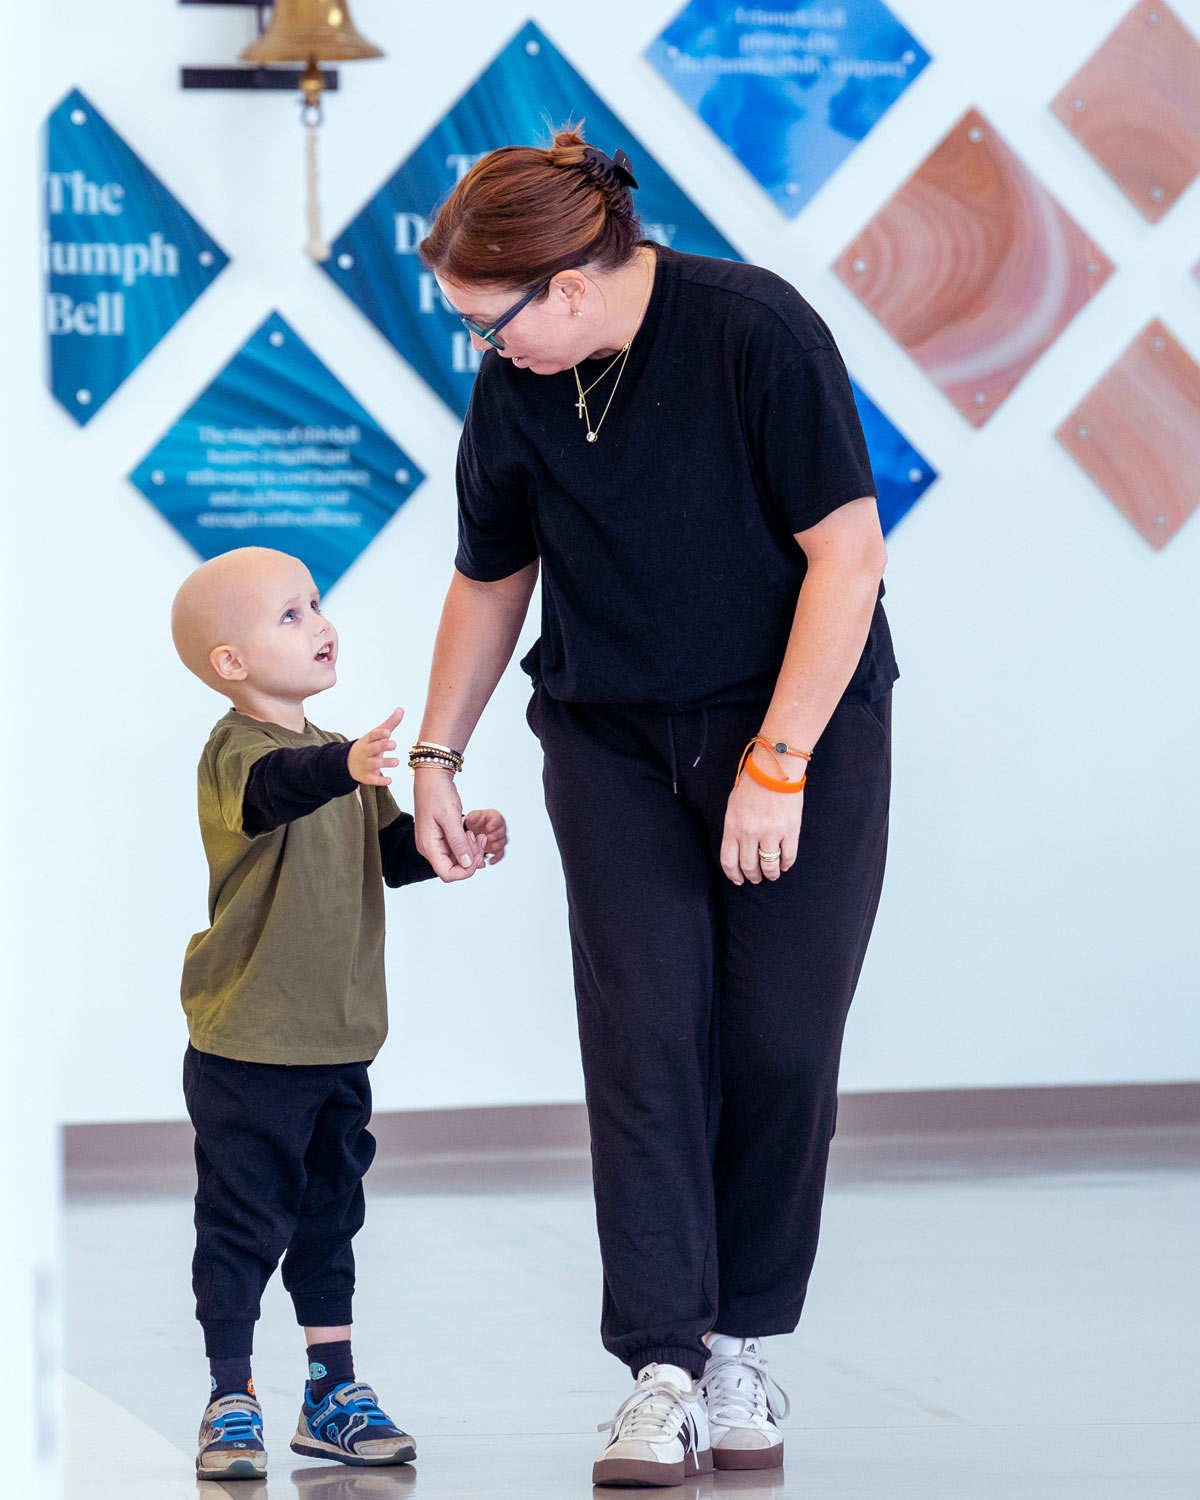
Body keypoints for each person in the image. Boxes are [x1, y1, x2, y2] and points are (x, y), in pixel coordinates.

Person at [412, 129, 896, 1489]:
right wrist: (435, 757)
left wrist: (780, 762)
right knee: (646, 1041)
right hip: (613, 738)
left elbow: (845, 559)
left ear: (568, 282)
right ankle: (663, 1367)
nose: (480, 348)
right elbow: (490, 573)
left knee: (780, 1045)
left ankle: (744, 1340)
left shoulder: (756, 333)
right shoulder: (520, 384)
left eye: (487, 320)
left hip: (798, 727)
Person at [170, 546, 506, 1481]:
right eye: (291, 615)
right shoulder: (236, 754)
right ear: (230, 664)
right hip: (247, 1042)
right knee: (241, 1221)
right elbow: (280, 795)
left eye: (316, 605)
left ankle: (332, 1388)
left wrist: (448, 844)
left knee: (330, 1217)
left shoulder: (345, 757)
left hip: (336, 1041)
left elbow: (384, 854)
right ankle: (230, 1394)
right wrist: (346, 764)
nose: (321, 624)